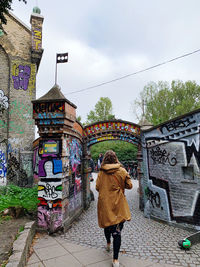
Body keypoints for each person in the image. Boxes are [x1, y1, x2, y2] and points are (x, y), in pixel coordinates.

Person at [96, 150, 133, 267]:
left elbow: (97, 187)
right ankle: (115, 260)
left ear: (105, 159)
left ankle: (108, 243)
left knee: (107, 225)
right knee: (117, 232)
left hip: (105, 204)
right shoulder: (122, 171)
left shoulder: (101, 173)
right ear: (116, 158)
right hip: (118, 206)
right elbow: (130, 185)